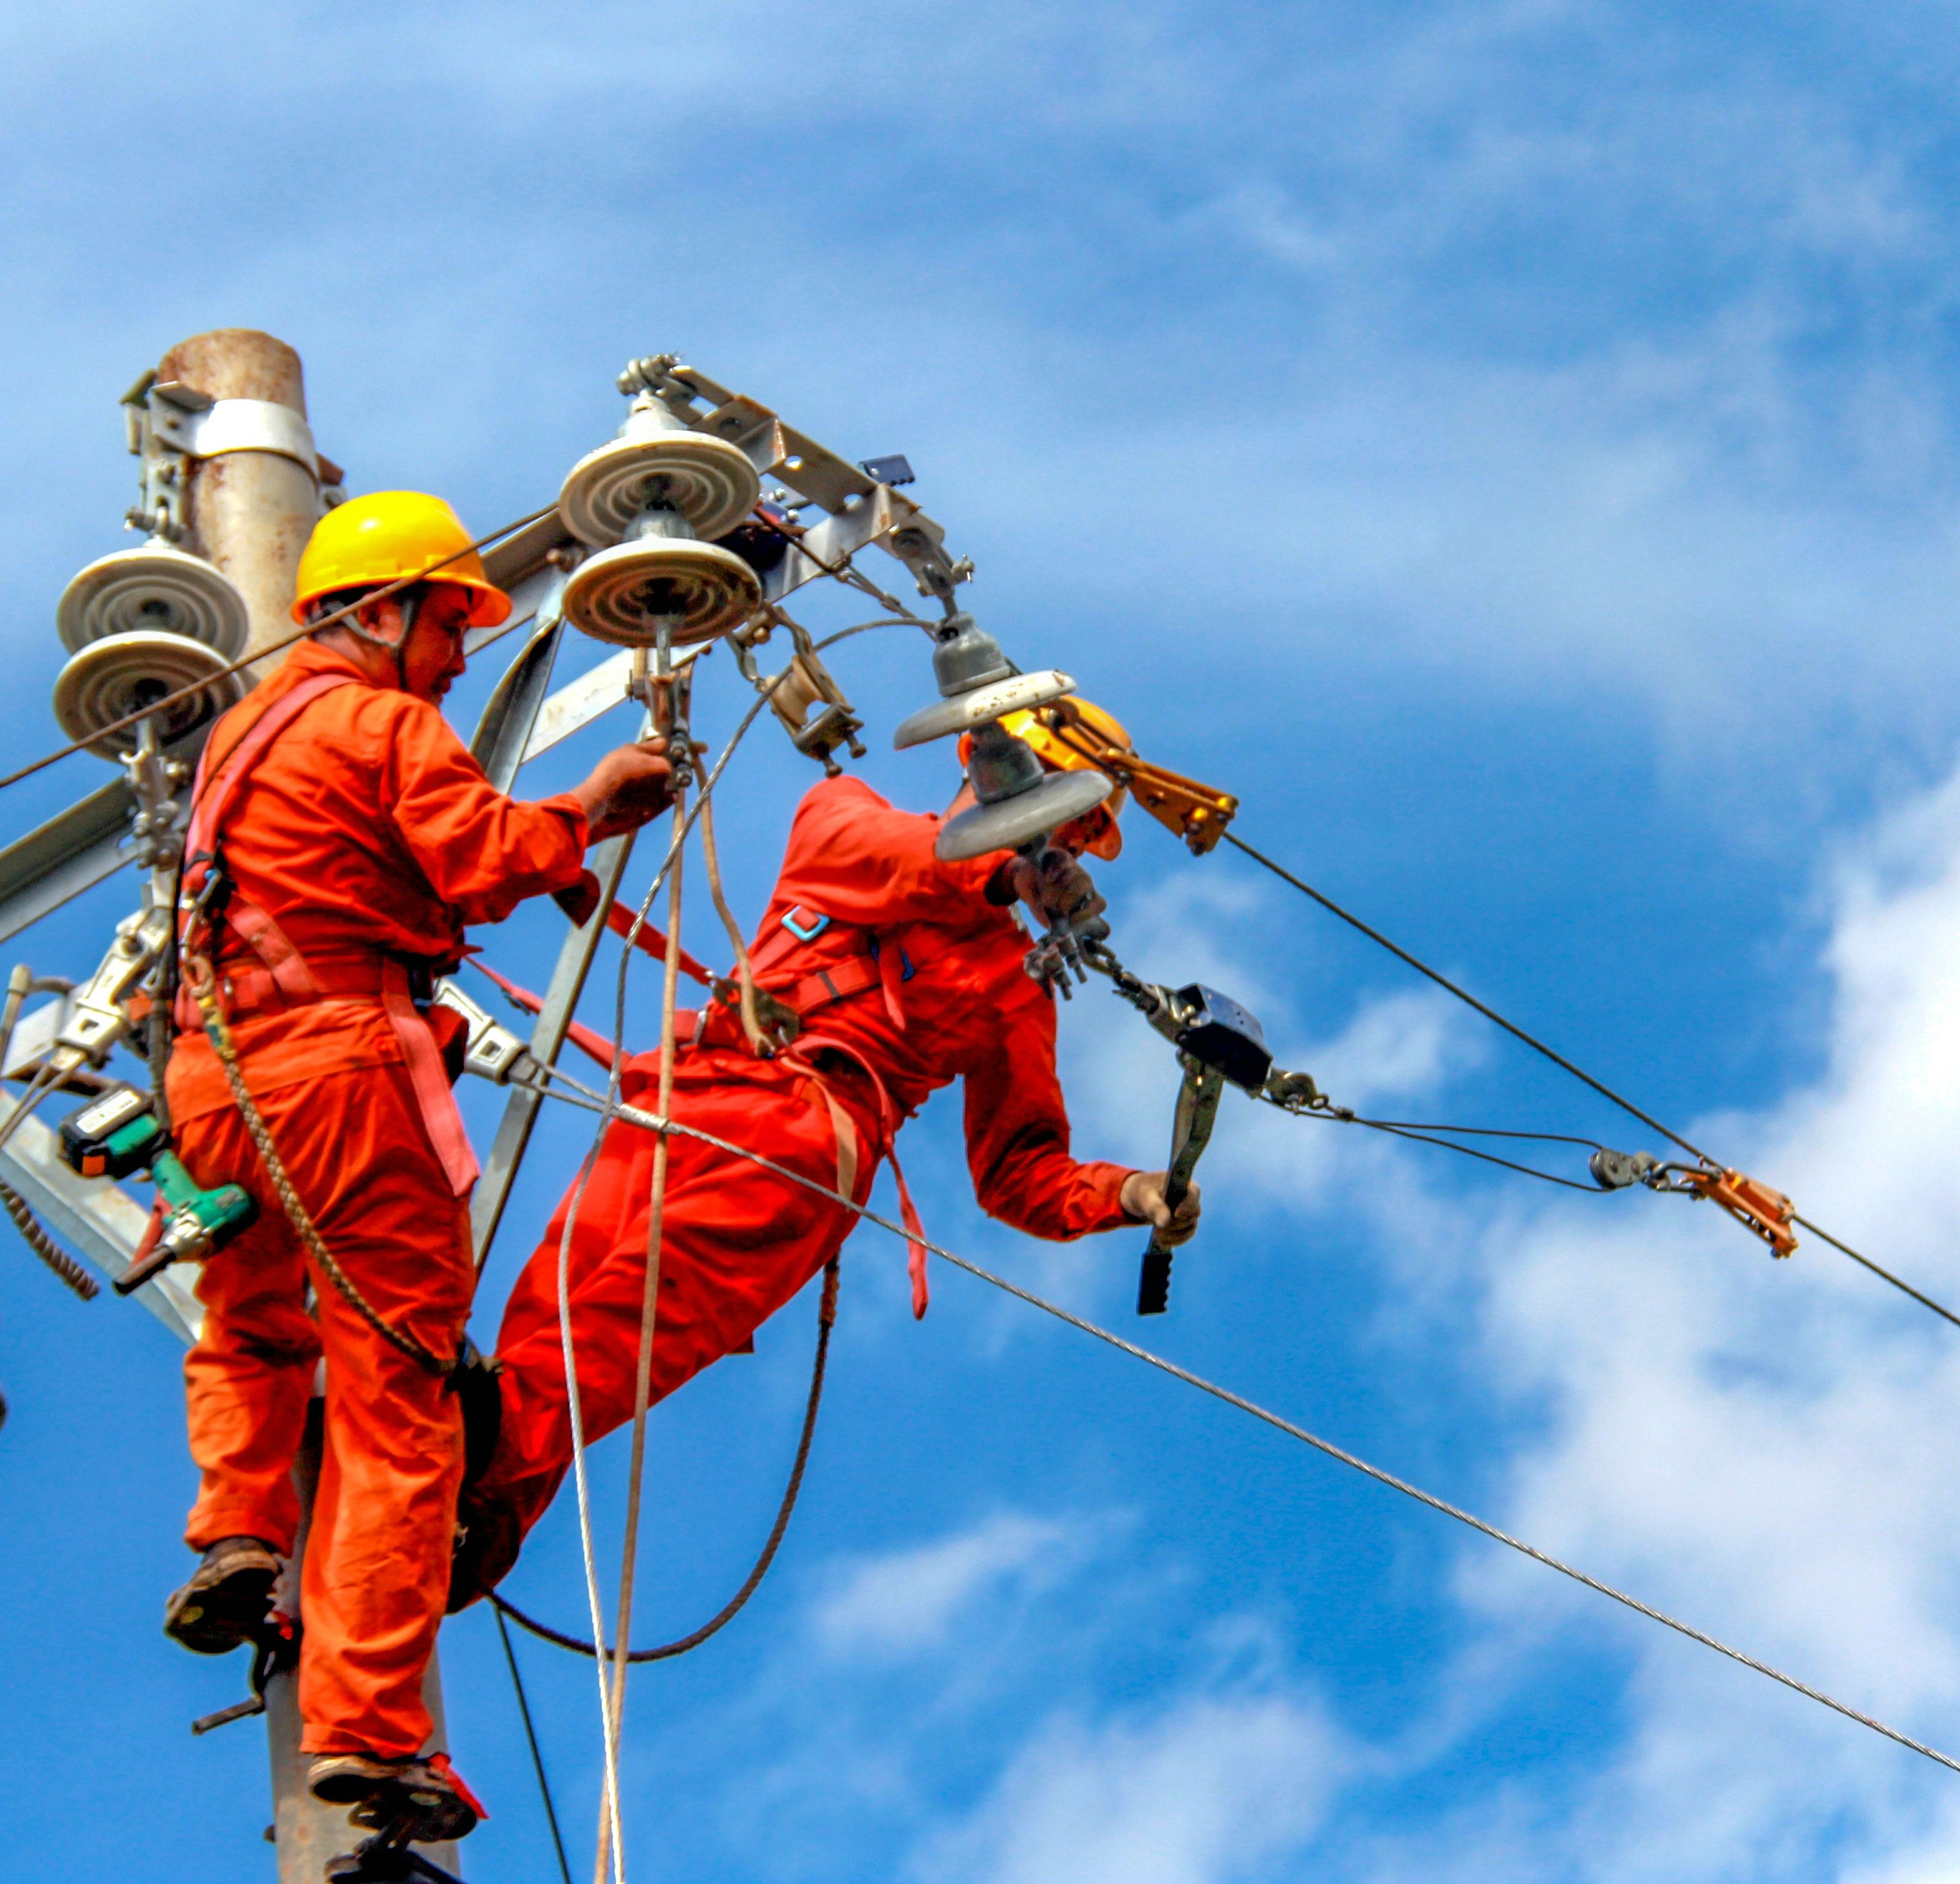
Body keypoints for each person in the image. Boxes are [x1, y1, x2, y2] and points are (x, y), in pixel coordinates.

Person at [159, 488, 673, 1841]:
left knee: (253, 1325)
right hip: (343, 1066)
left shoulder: (236, 744)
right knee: (400, 1409)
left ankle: (238, 1533)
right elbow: (479, 855)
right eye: (449, 624)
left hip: (212, 1076)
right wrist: (596, 804)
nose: (457, 657)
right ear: (377, 612)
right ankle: (374, 1743)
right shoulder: (381, 719)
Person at [455, 698, 1201, 1602]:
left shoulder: (1016, 987)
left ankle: (453, 1489)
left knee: (619, 1334)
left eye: (1078, 835)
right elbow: (892, 864)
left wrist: (1129, 1192)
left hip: (809, 1139)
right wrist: (1003, 873)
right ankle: (458, 1531)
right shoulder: (843, 812)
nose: (1065, 850)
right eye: (1058, 818)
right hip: (687, 1091)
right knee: (544, 1330)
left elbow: (1019, 1173)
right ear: (987, 767)